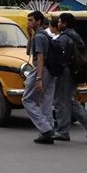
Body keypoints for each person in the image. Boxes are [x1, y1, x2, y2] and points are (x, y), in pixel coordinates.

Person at [52, 12, 87, 141]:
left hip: (66, 72)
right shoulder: (76, 35)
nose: (59, 24)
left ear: (65, 24)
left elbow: (59, 56)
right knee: (68, 100)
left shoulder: (65, 37)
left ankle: (62, 132)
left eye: (60, 21)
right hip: (76, 72)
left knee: (60, 102)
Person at [22, 11, 57, 144]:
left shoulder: (39, 37)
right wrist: (30, 35)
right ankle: (48, 132)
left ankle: (46, 129)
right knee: (46, 102)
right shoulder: (43, 35)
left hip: (43, 70)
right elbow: (28, 52)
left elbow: (40, 58)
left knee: (27, 99)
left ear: (39, 21)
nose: (28, 23)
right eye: (27, 20)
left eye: (31, 20)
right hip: (52, 71)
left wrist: (38, 78)